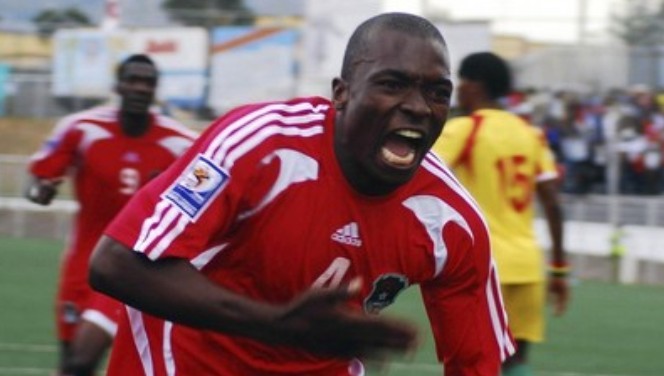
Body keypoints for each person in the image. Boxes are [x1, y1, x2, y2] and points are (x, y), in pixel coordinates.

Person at [89, 13, 514, 375]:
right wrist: (277, 326)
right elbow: (117, 264)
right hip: (186, 360)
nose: (419, 107)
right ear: (341, 94)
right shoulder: (263, 145)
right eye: (392, 84)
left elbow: (477, 361)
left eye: (438, 93)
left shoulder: (455, 222)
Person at [25, 54, 197, 376]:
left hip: (137, 267)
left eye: (147, 82)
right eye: (132, 79)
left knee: (81, 360)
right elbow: (36, 183)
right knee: (71, 364)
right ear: (117, 85)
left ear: (156, 89)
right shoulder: (82, 128)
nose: (139, 88)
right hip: (82, 266)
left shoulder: (181, 142)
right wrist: (41, 192)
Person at [431, 52, 570, 376]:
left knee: (472, 364)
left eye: (460, 83)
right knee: (515, 363)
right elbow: (552, 202)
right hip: (527, 266)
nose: (458, 91)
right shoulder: (530, 134)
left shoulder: (466, 129)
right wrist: (560, 270)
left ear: (474, 86)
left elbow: (421, 173)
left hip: (483, 268)